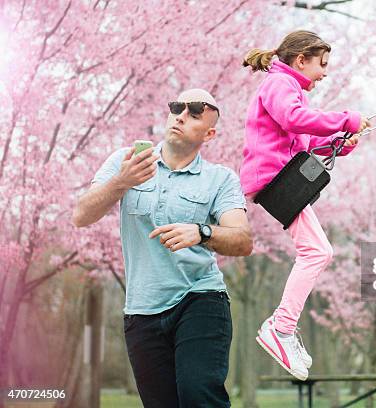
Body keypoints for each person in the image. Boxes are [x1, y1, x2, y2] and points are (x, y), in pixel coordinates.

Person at [72, 89, 252, 407]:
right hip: (142, 309)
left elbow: (242, 240)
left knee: (199, 396)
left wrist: (202, 232)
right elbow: (81, 215)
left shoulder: (220, 179)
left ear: (209, 133)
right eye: (176, 108)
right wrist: (122, 181)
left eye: (195, 113)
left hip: (200, 300)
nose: (181, 115)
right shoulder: (125, 161)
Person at [240, 30, 371, 380]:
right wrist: (345, 118)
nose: (325, 72)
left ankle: (282, 327)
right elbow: (294, 119)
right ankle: (280, 328)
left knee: (318, 251)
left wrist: (340, 142)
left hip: (280, 175)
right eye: (322, 64)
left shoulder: (287, 87)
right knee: (317, 253)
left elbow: (305, 136)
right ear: (301, 60)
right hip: (274, 178)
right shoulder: (279, 85)